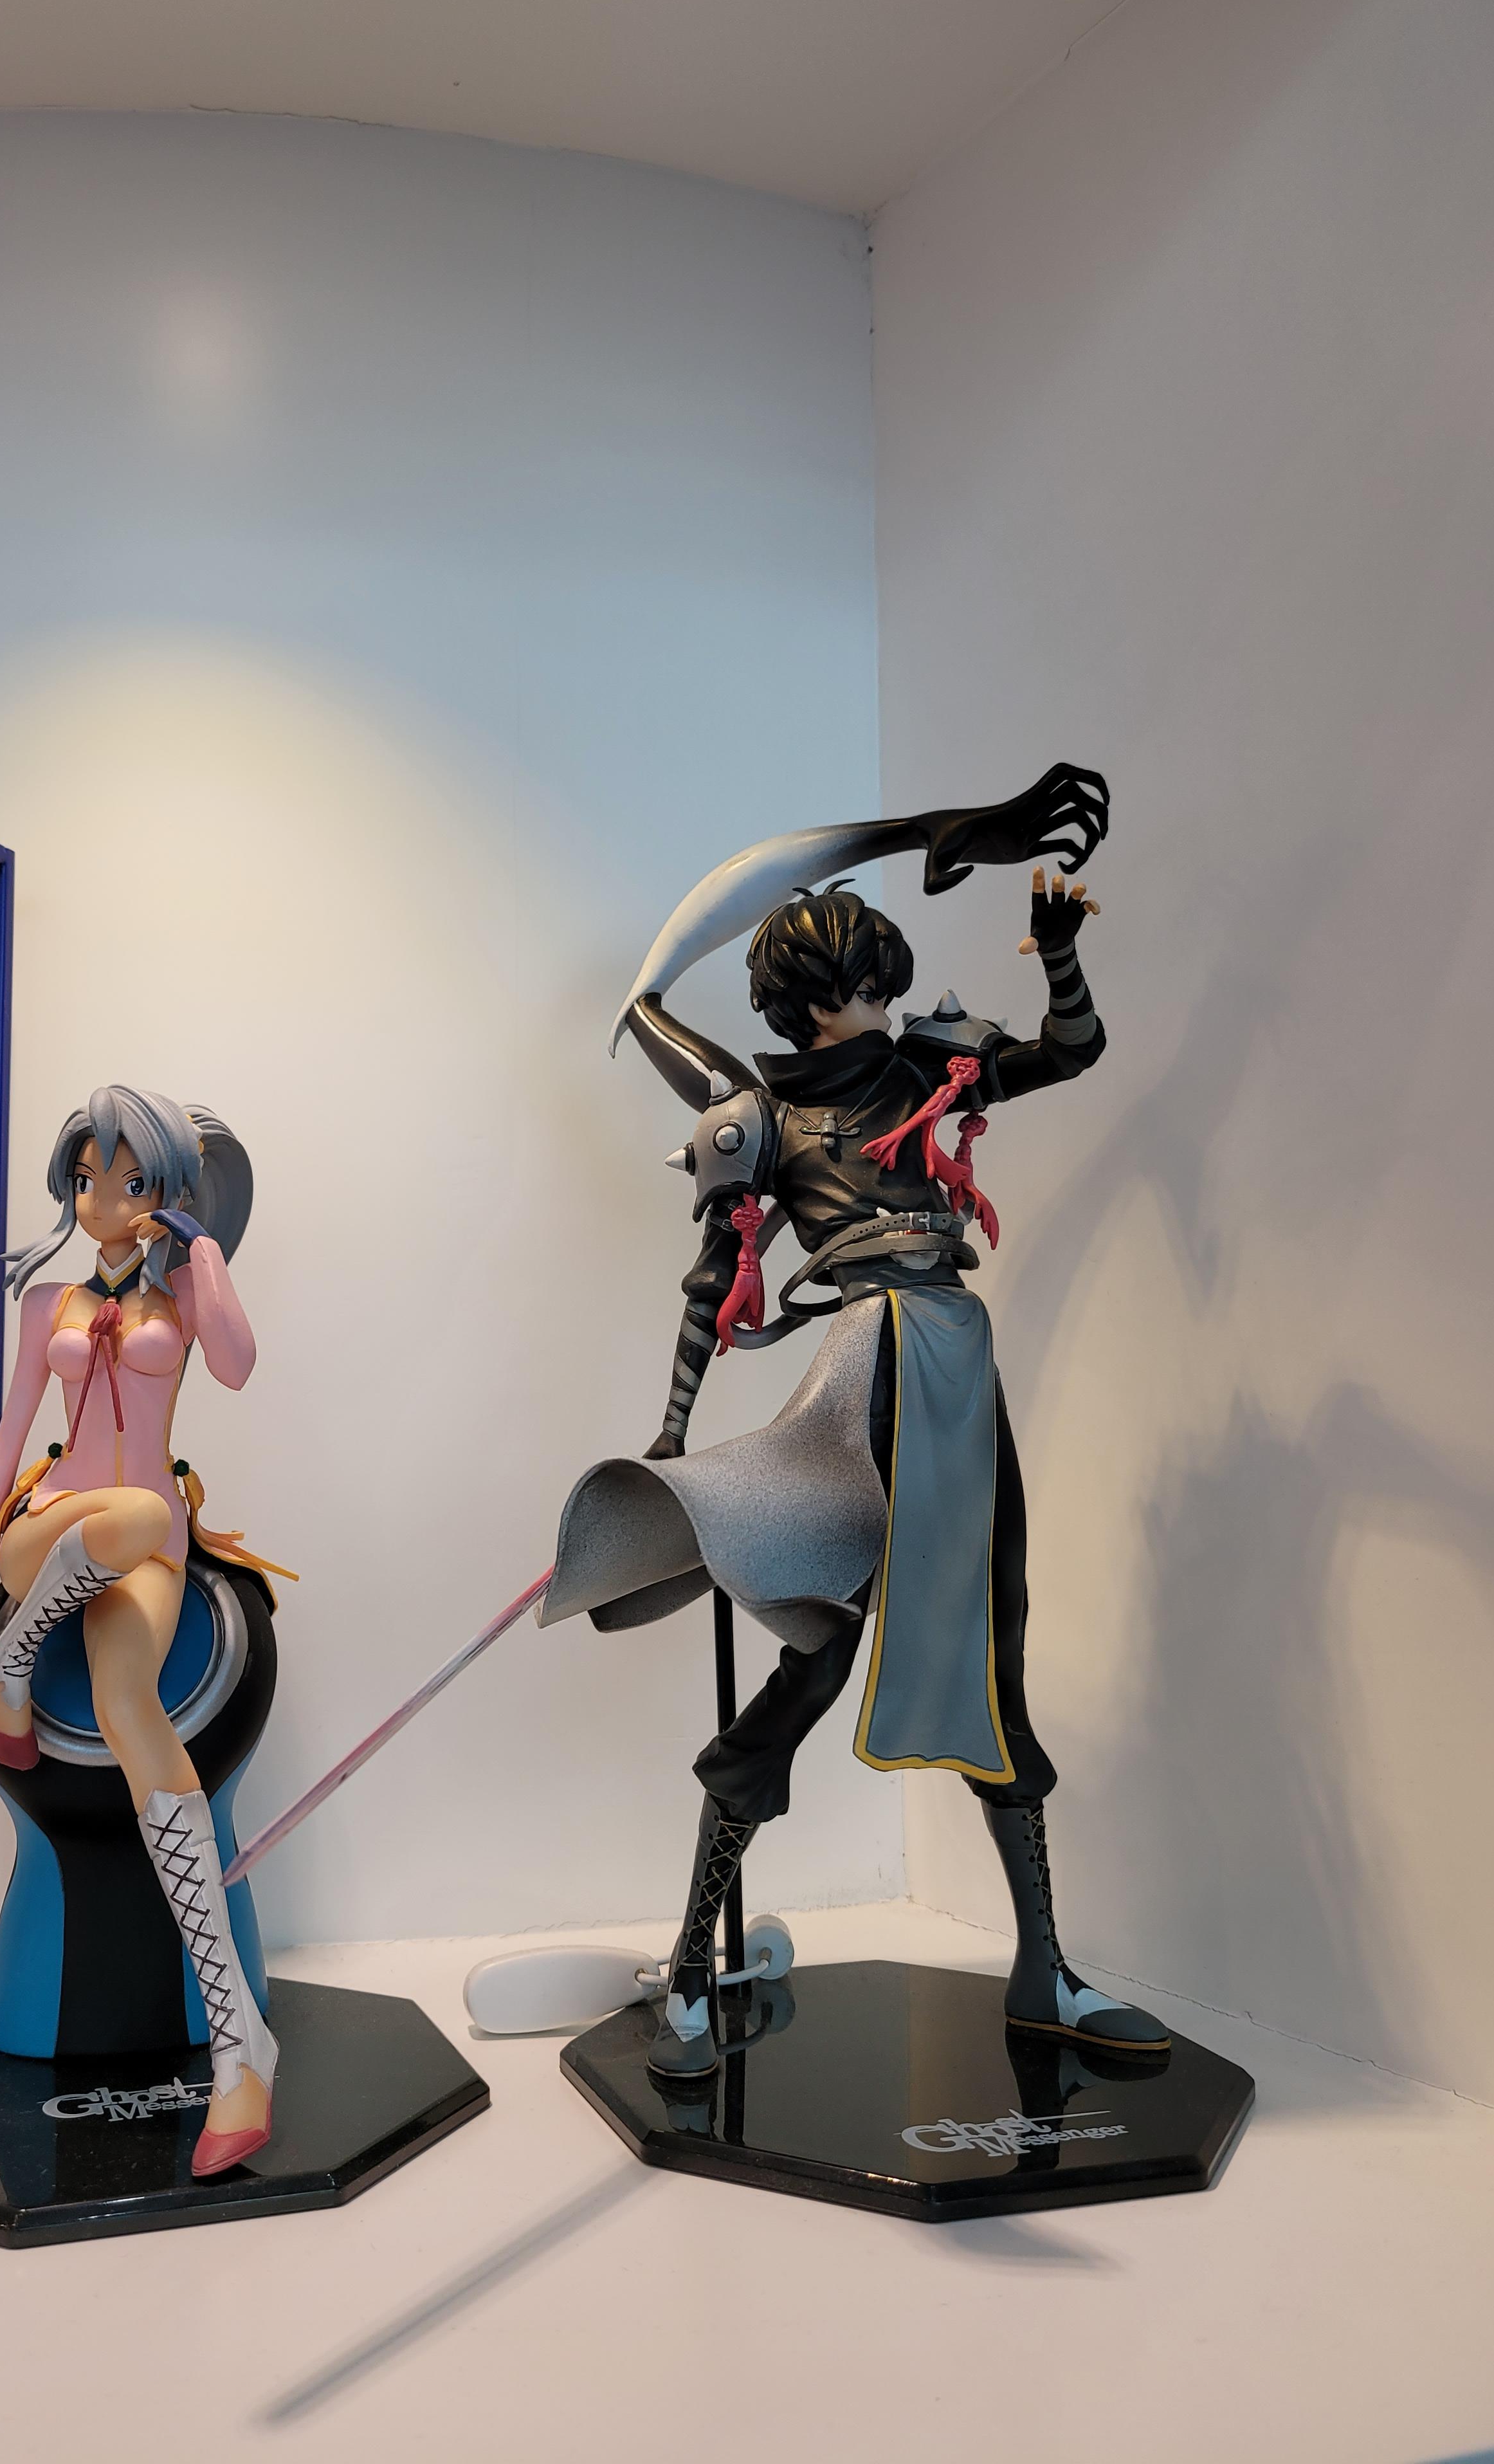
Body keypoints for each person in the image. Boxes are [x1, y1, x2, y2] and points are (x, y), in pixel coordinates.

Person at [540, 765, 1171, 2079]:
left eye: (880, 979)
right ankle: (694, 1970)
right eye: (858, 982)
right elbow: (709, 1279)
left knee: (991, 1649)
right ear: (815, 994)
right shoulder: (759, 1115)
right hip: (863, 1371)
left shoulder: (934, 1065)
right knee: (821, 1649)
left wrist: (1058, 953)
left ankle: (1045, 1971)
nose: (877, 1000)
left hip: (953, 1362)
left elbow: (1069, 1051)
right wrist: (672, 1433)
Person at [0, 1085, 278, 2174]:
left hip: (149, 1545)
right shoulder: (48, 1304)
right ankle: (13, 1652)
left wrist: (206, 1252)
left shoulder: (184, 1291)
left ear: (169, 1189)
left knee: (133, 1703)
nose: (102, 1202)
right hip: (47, 1529)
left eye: (131, 1181)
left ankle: (240, 2040)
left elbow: (238, 1366)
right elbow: (7, 1439)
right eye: (88, 1179)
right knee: (115, 1512)